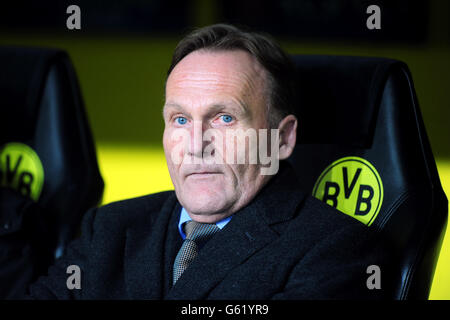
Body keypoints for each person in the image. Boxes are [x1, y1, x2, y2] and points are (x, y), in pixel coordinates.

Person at [12, 24, 391, 299]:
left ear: (282, 138)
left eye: (224, 118)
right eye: (179, 119)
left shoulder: (337, 248)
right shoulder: (109, 229)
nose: (195, 145)